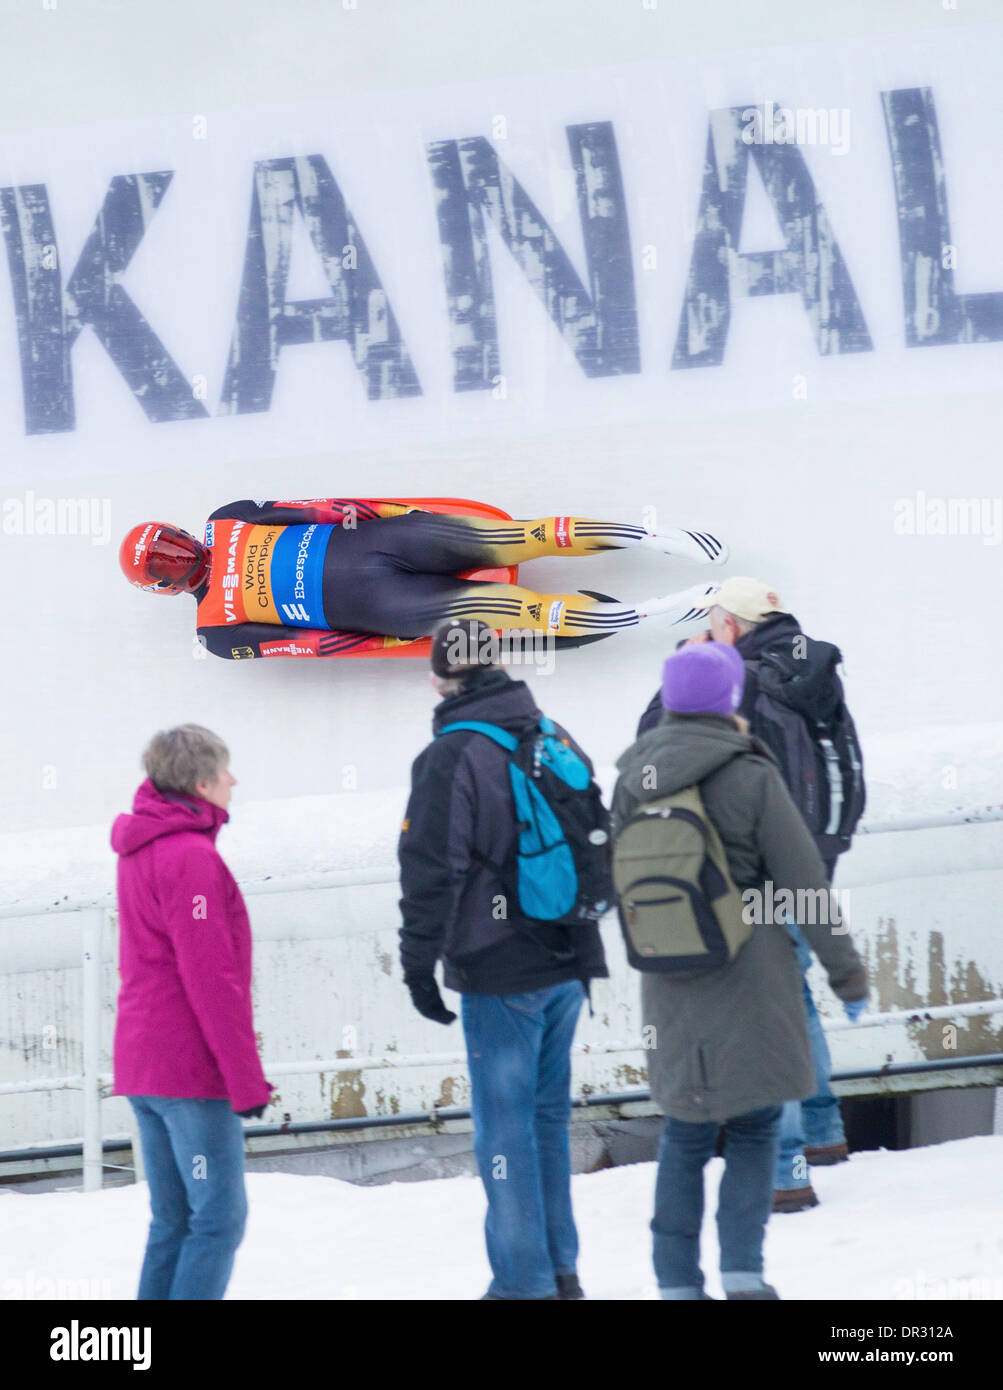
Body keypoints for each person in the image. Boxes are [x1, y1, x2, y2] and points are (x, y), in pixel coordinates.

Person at [613, 642, 868, 1300]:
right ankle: (742, 1275)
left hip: (668, 980)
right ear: (728, 701)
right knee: (754, 1127)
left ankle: (675, 1284)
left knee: (685, 1134)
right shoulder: (749, 774)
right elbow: (803, 884)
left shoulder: (632, 776)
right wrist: (846, 975)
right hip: (751, 977)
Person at [397, 619, 609, 1300]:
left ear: (438, 678)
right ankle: (559, 1269)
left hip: (499, 971)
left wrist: (416, 964)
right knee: (545, 1118)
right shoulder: (549, 730)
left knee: (503, 1129)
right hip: (569, 959)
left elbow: (431, 871)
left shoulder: (449, 756)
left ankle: (523, 1284)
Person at [119, 499, 726, 658]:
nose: (180, 555)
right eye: (167, 562)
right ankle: (660, 609)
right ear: (163, 586)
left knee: (519, 536)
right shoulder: (217, 632)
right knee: (516, 607)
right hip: (386, 599)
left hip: (383, 549)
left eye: (173, 544)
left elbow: (317, 508)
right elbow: (308, 645)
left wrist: (384, 514)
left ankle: (655, 538)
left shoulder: (228, 520)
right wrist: (388, 637)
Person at [111, 724, 273, 1300]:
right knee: (217, 1221)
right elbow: (211, 979)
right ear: (201, 783)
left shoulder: (142, 848)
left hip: (145, 1064)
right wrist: (244, 1080)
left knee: (174, 1221)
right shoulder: (190, 858)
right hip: (189, 1070)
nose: (233, 780)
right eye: (224, 771)